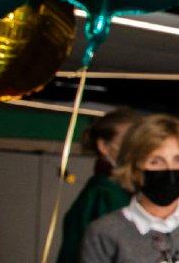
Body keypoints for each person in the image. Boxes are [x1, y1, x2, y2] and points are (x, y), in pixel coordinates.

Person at [82, 114, 179, 263]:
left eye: (178, 160)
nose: (170, 170)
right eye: (156, 161)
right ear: (134, 168)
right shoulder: (104, 233)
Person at [58, 108, 141, 263]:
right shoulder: (103, 195)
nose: (137, 148)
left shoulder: (125, 191)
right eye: (129, 140)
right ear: (103, 146)